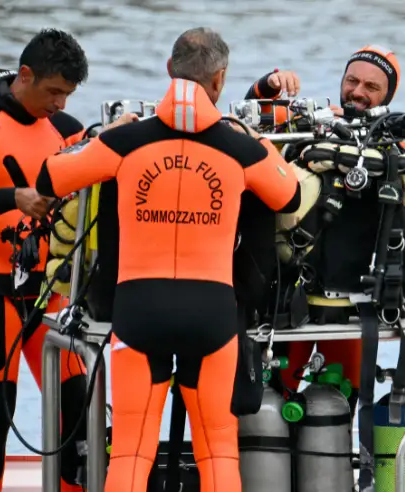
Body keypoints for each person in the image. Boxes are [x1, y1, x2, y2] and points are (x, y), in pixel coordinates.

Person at [31, 27, 301, 491]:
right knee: (217, 449)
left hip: (138, 310)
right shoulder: (239, 146)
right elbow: (290, 196)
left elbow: (49, 177)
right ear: (218, 81)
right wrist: (254, 136)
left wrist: (107, 135)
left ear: (169, 71)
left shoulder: (126, 141)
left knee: (132, 451)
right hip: (212, 313)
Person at [0, 28, 94, 492]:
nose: (60, 104)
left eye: (68, 94)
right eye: (54, 92)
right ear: (25, 76)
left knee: (77, 408)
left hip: (49, 292)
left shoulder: (68, 131)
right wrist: (10, 197)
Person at [243, 45, 401, 404]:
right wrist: (267, 86)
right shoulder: (309, 122)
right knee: (266, 406)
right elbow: (243, 125)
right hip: (287, 303)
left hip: (353, 309)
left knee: (338, 411)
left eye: (371, 87)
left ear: (388, 95)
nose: (358, 91)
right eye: (352, 80)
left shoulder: (395, 144)